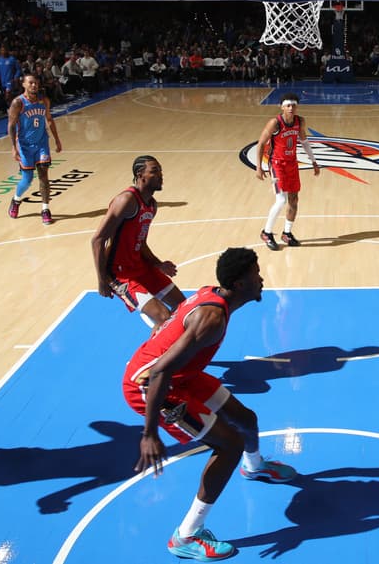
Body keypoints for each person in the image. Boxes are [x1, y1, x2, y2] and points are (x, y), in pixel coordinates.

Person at [123, 247, 296, 560]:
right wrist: (149, 433)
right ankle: (186, 535)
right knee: (229, 446)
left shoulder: (213, 295)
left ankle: (255, 467)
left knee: (246, 419)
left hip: (180, 374)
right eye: (255, 274)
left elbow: (171, 332)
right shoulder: (212, 318)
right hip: (151, 386)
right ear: (240, 284)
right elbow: (160, 370)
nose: (261, 279)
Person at [91, 155, 187, 328]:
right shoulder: (126, 200)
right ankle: (154, 354)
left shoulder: (152, 205)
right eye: (155, 171)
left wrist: (158, 264)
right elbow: (98, 240)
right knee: (164, 318)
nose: (161, 175)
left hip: (140, 266)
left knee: (183, 308)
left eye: (160, 170)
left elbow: (140, 242)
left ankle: (173, 349)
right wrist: (102, 280)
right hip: (120, 274)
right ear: (140, 174)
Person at [255, 93, 321, 249]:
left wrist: (313, 161)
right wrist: (259, 167)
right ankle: (266, 232)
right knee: (281, 200)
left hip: (292, 163)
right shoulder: (275, 123)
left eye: (294, 105)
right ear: (282, 107)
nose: (291, 108)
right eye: (288, 105)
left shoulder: (300, 121)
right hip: (277, 164)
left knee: (294, 200)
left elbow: (304, 141)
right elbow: (261, 144)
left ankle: (287, 233)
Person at [6, 73, 62, 225]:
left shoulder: (44, 100)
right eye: (30, 83)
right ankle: (16, 200)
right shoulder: (18, 103)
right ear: (23, 84)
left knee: (44, 175)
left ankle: (45, 209)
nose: (34, 85)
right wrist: (13, 147)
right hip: (24, 145)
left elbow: (49, 120)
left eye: (36, 83)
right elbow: (11, 125)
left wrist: (57, 140)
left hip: (42, 143)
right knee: (27, 179)